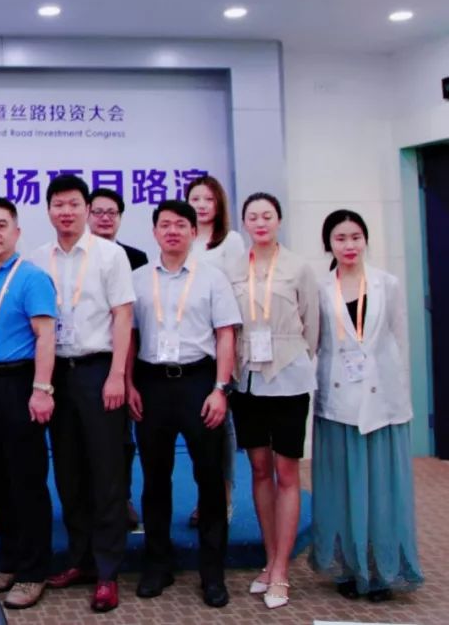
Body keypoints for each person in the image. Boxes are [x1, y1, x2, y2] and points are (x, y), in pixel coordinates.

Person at [129, 200, 241, 609]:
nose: (172, 231)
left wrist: (220, 389)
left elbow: (226, 334)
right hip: (151, 384)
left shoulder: (212, 279)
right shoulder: (138, 280)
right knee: (154, 478)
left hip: (198, 382)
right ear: (154, 232)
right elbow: (130, 337)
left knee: (209, 478)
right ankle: (158, 564)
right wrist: (128, 384)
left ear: (194, 232)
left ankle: (212, 572)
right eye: (165, 225)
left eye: (181, 224)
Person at [30, 175, 135, 612]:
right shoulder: (38, 258)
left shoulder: (110, 255)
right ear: (49, 210)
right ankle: (80, 560)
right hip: (57, 374)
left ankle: (107, 571)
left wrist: (117, 375)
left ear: (87, 209)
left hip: (97, 370)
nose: (66, 211)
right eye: (58, 204)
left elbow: (123, 316)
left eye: (74, 204)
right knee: (69, 471)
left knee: (106, 472)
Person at [308, 210, 424, 601]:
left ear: (366, 240)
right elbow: (317, 343)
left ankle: (383, 571)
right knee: (342, 488)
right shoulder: (321, 288)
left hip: (383, 400)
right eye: (340, 238)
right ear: (329, 244)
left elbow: (399, 339)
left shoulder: (387, 284)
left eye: (356, 237)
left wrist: (399, 392)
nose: (349, 245)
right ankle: (349, 566)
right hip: (338, 401)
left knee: (382, 490)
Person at [230, 193, 319, 609]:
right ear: (245, 223)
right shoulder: (234, 267)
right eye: (253, 216)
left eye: (267, 215)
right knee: (259, 468)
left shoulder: (298, 267)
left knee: (286, 471)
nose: (260, 222)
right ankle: (269, 560)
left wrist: (294, 354)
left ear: (279, 220)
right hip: (247, 377)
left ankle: (282, 570)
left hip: (288, 375)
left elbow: (313, 326)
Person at [0, 197, 57, 610]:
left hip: (21, 382)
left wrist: (42, 389)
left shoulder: (32, 277)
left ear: (17, 232)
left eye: (1, 225)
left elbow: (46, 336)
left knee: (27, 480)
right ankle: (9, 560)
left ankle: (34, 571)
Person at [87, 186, 146, 532]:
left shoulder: (136, 258)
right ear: (87, 215)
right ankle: (90, 501)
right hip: (84, 359)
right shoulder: (75, 255)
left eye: (112, 212)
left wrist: (126, 374)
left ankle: (121, 498)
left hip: (123, 358)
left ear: (121, 218)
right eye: (98, 212)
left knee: (122, 437)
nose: (105, 218)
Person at [185, 174, 243, 526]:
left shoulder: (230, 242)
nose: (202, 205)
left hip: (220, 341)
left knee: (221, 427)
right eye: (195, 199)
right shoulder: (183, 237)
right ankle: (202, 498)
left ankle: (224, 496)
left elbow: (236, 294)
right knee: (196, 427)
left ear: (219, 203)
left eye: (208, 199)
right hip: (189, 344)